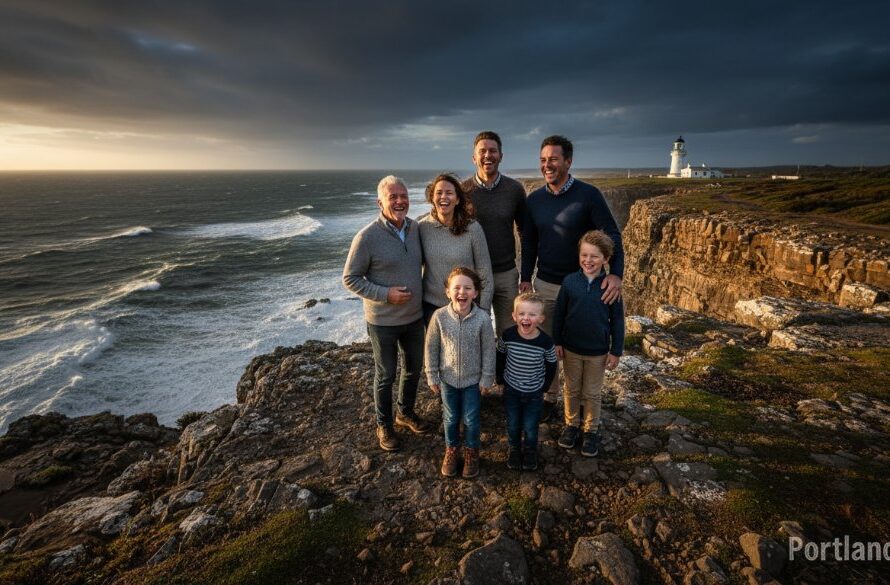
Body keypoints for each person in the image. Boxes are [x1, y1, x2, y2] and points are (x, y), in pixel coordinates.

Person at [519, 135, 624, 420]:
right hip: (546, 285)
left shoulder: (588, 195)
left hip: (583, 287)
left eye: (553, 159)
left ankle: (578, 400)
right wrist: (526, 277)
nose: (547, 165)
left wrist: (615, 274)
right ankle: (551, 397)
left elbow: (612, 235)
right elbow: (529, 242)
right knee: (548, 346)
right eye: (542, 160)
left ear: (568, 161)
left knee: (578, 345)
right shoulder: (535, 199)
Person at [343, 175, 432, 452]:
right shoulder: (366, 237)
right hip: (383, 322)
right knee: (386, 375)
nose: (399, 201)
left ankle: (404, 413)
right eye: (392, 196)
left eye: (403, 195)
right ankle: (384, 425)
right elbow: (350, 278)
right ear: (379, 202)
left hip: (414, 318)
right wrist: (386, 294)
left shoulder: (417, 228)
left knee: (414, 369)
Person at [552, 230, 625, 457]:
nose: (588, 261)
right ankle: (572, 425)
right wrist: (557, 341)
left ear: (605, 259)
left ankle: (590, 430)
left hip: (597, 352)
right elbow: (559, 314)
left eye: (594, 256)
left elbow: (618, 321)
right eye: (584, 255)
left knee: (592, 393)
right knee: (571, 389)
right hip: (572, 348)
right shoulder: (570, 282)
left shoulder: (610, 287)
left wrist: (616, 351)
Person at [425, 267, 496, 478]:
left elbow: (489, 350)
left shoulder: (483, 319)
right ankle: (452, 449)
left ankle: (472, 451)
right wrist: (432, 374)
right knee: (450, 418)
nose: (461, 292)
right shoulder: (438, 317)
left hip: (473, 381)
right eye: (456, 287)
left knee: (472, 419)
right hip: (447, 380)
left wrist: (487, 378)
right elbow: (431, 348)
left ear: (475, 293)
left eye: (467, 288)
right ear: (448, 291)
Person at [462, 131, 527, 337]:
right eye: (482, 151)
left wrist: (525, 275)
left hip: (506, 274)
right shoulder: (463, 191)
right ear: (474, 157)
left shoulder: (515, 189)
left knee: (508, 334)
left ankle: (504, 370)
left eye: (492, 151)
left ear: (501, 155)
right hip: (473, 275)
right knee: (474, 332)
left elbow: (524, 232)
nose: (487, 156)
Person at [418, 173, 493, 325]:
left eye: (449, 193)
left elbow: (485, 272)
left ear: (457, 199)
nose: (443, 197)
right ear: (432, 198)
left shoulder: (473, 229)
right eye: (439, 193)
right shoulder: (422, 227)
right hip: (432, 309)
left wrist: (484, 311)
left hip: (466, 306)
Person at [496, 293, 557, 471]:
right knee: (513, 422)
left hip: (534, 392)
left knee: (531, 425)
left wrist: (545, 386)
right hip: (511, 389)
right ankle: (514, 448)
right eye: (522, 314)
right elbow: (500, 355)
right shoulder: (507, 336)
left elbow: (552, 364)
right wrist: (499, 378)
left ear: (541, 318)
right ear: (514, 316)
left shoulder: (546, 342)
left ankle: (530, 450)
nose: (526, 318)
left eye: (532, 315)